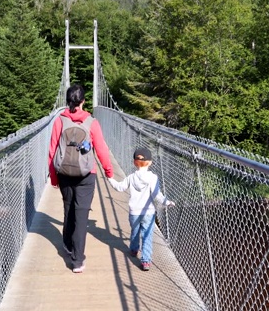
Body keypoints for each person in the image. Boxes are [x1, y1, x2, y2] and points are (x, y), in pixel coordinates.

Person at [48, 84, 114, 273]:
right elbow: (101, 149)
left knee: (68, 209)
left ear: (68, 101)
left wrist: (53, 177)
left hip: (64, 173)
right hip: (86, 174)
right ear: (84, 101)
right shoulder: (92, 122)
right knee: (81, 215)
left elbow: (52, 151)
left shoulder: (60, 121)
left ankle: (68, 246)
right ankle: (77, 260)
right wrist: (109, 171)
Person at [108, 147, 175, 271]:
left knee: (135, 231)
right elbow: (156, 195)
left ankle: (134, 249)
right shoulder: (153, 178)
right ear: (149, 162)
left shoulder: (131, 177)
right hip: (148, 212)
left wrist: (110, 178)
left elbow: (119, 187)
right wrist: (167, 202)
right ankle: (145, 261)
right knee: (147, 236)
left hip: (134, 211)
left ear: (135, 162)